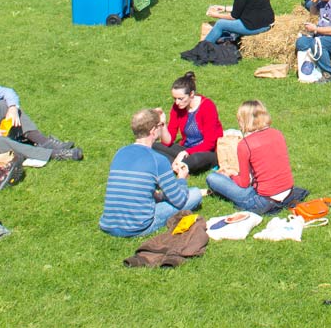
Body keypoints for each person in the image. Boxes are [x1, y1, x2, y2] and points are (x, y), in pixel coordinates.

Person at [101, 107, 204, 237]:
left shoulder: (120, 153)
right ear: (153, 131)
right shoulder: (158, 160)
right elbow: (179, 200)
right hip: (137, 226)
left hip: (108, 223)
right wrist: (182, 179)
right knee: (195, 194)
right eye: (160, 125)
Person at [205, 100, 295, 214]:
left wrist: (231, 176)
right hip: (289, 192)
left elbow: (244, 183)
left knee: (212, 178)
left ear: (243, 120)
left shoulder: (245, 144)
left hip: (264, 200)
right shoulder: (277, 133)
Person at [155, 72, 223, 176]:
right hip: (186, 148)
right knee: (153, 145)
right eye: (175, 98)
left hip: (207, 151)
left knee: (195, 159)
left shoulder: (207, 106)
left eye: (180, 99)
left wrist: (186, 153)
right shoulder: (177, 108)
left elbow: (210, 143)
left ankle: (172, 164)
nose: (177, 102)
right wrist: (163, 124)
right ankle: (179, 165)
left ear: (191, 94)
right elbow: (168, 142)